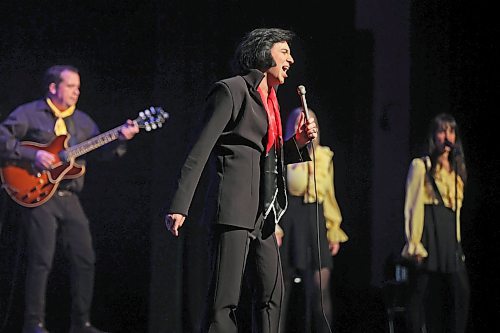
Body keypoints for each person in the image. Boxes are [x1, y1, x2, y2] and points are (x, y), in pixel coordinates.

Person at [164, 28, 317, 333]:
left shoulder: (271, 101)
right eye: (284, 51)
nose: (291, 58)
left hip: (263, 214)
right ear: (263, 53)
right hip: (232, 210)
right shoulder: (231, 90)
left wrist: (296, 142)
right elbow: (200, 149)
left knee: (272, 294)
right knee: (224, 301)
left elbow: (268, 157)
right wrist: (180, 204)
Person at [0, 65, 140, 333]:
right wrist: (33, 155)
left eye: (78, 87)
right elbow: (2, 137)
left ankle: (81, 323)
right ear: (53, 87)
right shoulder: (29, 114)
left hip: (69, 196)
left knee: (84, 257)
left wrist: (121, 140)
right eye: (71, 86)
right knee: (41, 259)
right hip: (39, 196)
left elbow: (101, 154)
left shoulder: (84, 122)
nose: (77, 91)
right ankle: (34, 323)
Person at [276, 107, 348, 333]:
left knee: (319, 289)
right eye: (300, 121)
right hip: (290, 218)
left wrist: (333, 228)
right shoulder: (284, 153)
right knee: (282, 287)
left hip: (315, 218)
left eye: (310, 121)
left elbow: (329, 195)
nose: (306, 124)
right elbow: (276, 190)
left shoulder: (325, 156)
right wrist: (275, 225)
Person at [401, 113, 470, 333]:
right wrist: (414, 243)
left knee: (460, 292)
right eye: (442, 131)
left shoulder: (456, 172)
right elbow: (412, 207)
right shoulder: (421, 166)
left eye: (451, 131)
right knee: (420, 294)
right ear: (434, 136)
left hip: (449, 239)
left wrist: (458, 244)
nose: (447, 136)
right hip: (429, 234)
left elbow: (456, 214)